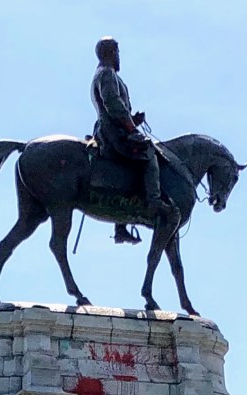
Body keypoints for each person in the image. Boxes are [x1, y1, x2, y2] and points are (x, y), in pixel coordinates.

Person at [91, 36, 176, 244]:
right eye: (117, 52)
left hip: (113, 128)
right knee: (148, 152)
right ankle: (154, 201)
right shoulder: (107, 73)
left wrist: (133, 120)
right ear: (111, 52)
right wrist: (130, 125)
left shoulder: (103, 73)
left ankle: (121, 225)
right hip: (113, 132)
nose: (119, 56)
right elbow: (113, 103)